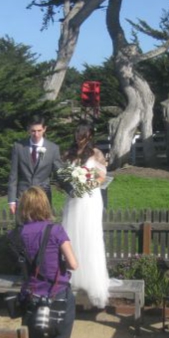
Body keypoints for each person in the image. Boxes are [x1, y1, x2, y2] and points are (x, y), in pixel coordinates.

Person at [10, 186, 77, 338]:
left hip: (32, 302)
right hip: (58, 301)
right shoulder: (56, 230)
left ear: (25, 208)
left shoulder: (17, 235)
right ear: (45, 206)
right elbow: (73, 263)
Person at [61, 121, 111, 309]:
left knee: (90, 235)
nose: (79, 139)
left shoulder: (96, 154)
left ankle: (92, 279)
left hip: (90, 198)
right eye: (77, 135)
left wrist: (86, 185)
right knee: (71, 234)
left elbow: (101, 177)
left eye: (83, 135)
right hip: (74, 198)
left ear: (89, 136)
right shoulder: (69, 153)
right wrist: (70, 184)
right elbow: (63, 175)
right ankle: (72, 277)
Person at [8, 117, 63, 214]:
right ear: (28, 129)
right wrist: (12, 200)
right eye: (33, 131)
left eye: (39, 131)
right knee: (23, 228)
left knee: (42, 227)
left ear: (44, 129)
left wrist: (73, 188)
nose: (36, 134)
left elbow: (59, 173)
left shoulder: (53, 148)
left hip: (43, 197)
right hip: (23, 196)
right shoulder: (18, 147)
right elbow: (13, 175)